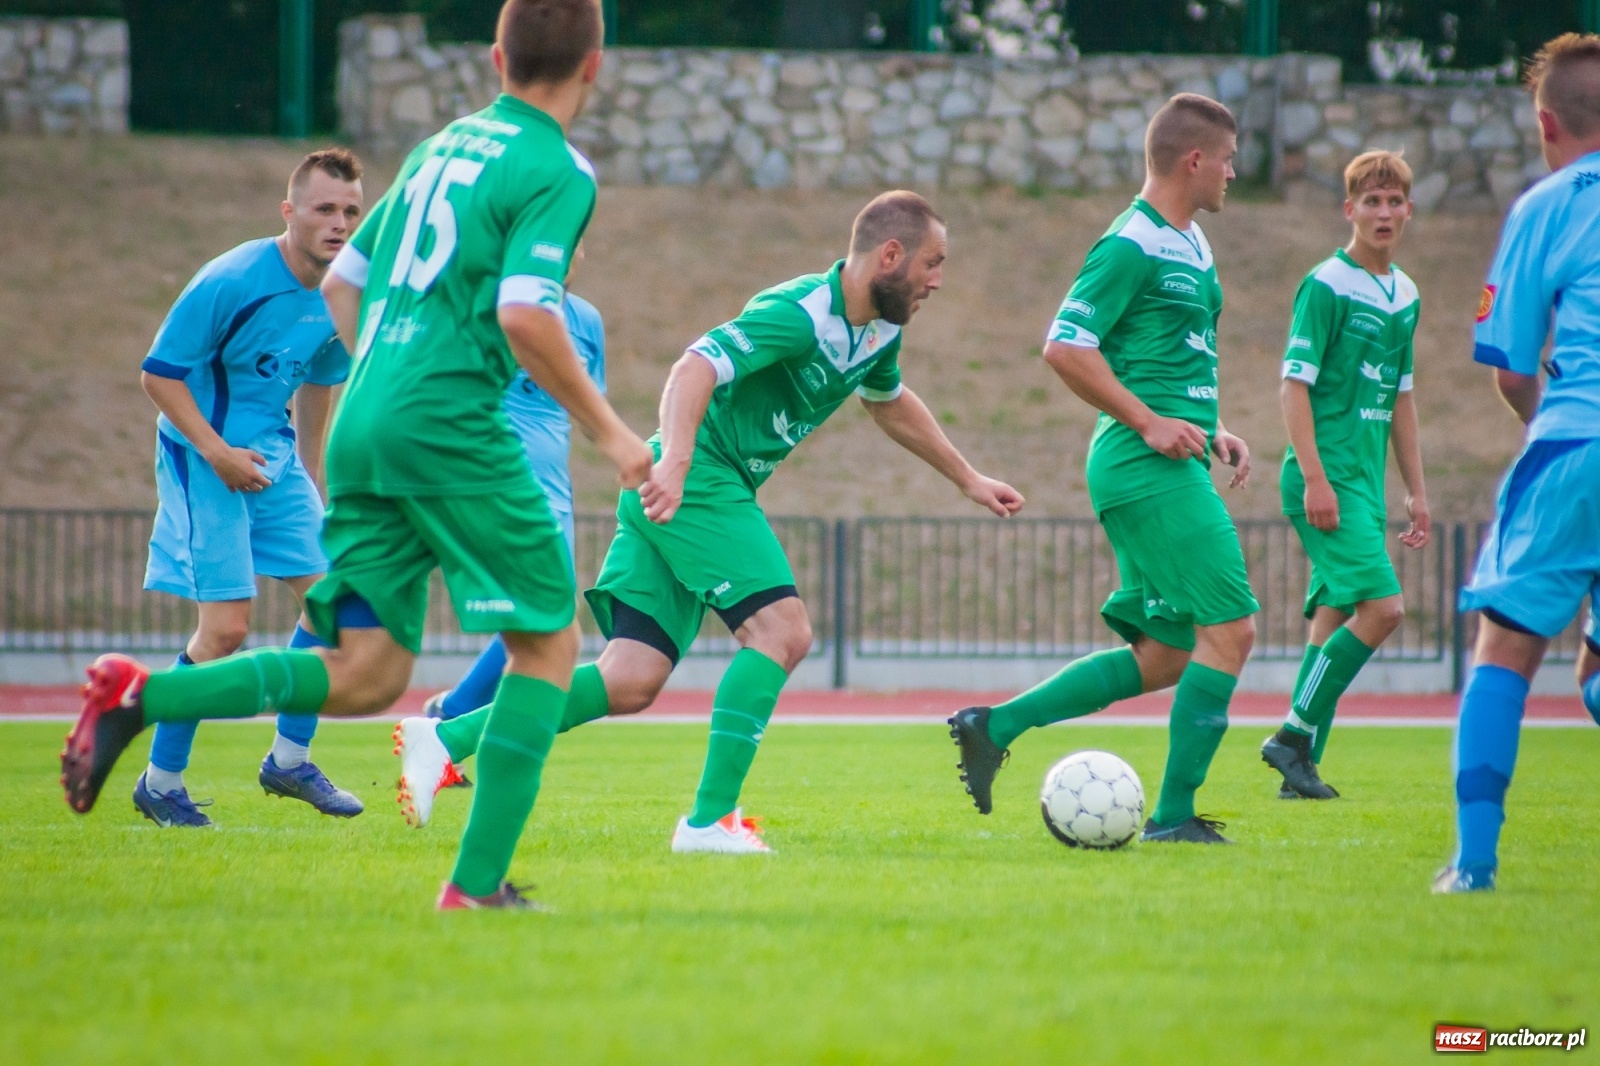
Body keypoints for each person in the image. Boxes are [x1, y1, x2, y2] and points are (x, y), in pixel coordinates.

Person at [59, 0, 653, 912]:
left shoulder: (439, 149)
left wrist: (384, 376)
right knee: (547, 645)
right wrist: (613, 433)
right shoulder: (556, 167)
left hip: (368, 418)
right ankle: (476, 886)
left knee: (366, 670)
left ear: (496, 57)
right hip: (452, 425)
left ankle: (142, 697)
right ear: (595, 64)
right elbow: (528, 313)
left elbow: (345, 283)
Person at [393, 189, 1025, 850]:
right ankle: (709, 821)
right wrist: (676, 461)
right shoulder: (802, 313)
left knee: (629, 680)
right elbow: (694, 366)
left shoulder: (881, 329)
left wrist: (968, 478)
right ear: (890, 255)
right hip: (697, 479)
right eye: (932, 262)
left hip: (688, 487)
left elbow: (887, 399)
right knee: (782, 632)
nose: (938, 280)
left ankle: (446, 738)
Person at [947, 93, 1257, 845]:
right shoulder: (1131, 243)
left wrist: (1212, 427)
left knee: (1165, 656)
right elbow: (1065, 346)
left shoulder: (1192, 244)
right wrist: (1149, 422)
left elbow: (1166, 360)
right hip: (1142, 466)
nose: (1233, 173)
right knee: (1232, 629)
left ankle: (994, 726)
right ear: (1194, 160)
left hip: (1169, 459)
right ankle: (1173, 818)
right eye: (1227, 160)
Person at [132, 149, 366, 826]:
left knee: (333, 607)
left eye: (352, 211)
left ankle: (289, 761)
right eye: (325, 209)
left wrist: (313, 474)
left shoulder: (344, 290)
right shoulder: (231, 279)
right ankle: (160, 782)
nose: (340, 223)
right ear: (289, 211)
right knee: (226, 631)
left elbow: (322, 378)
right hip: (202, 459)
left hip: (276, 460)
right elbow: (158, 375)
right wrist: (217, 452)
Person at [1435, 33, 1600, 894]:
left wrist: (1556, 431)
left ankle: (1474, 865)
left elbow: (1508, 366)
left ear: (1546, 123)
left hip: (1576, 442)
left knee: (1504, 649)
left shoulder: (1547, 206)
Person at [1260, 149, 1431, 800]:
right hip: (1326, 479)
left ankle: (1299, 774)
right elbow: (1292, 387)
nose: (1383, 212)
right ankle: (1292, 738)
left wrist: (1416, 490)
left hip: (1365, 482)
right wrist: (1314, 479)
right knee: (1383, 609)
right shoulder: (1326, 284)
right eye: (1371, 201)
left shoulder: (1406, 293)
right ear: (1349, 210)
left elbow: (1401, 398)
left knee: (1332, 619)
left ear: (1408, 210)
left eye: (1394, 201)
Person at [414, 251, 608, 793]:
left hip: (555, 495)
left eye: (576, 244)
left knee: (548, 623)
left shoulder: (586, 321)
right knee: (544, 621)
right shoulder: (493, 309)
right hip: (498, 484)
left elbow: (589, 408)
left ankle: (449, 718)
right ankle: (459, 730)